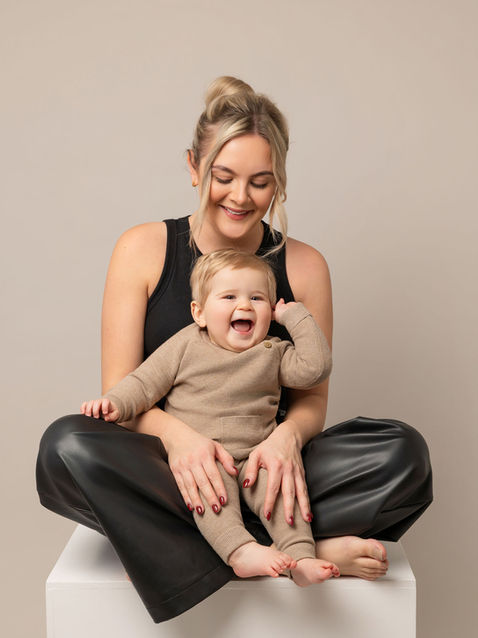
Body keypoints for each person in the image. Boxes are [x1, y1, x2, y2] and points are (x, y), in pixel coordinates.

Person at [36, 75, 433, 624]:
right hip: (171, 468)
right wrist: (182, 441)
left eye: (260, 182)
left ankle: (169, 549)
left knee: (402, 454)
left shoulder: (305, 266)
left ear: (280, 184)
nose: (240, 197)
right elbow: (122, 396)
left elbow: (312, 396)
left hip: (265, 468)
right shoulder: (143, 249)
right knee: (66, 448)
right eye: (223, 177)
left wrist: (285, 441)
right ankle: (303, 549)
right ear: (195, 167)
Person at [81, 249, 341, 585]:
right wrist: (114, 403)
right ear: (199, 312)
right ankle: (240, 551)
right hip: (202, 456)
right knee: (211, 493)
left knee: (281, 490)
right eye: (230, 296)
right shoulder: (186, 345)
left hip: (256, 457)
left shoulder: (274, 352)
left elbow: (315, 368)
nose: (245, 306)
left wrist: (294, 315)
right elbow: (144, 383)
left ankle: (301, 557)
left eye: (257, 298)